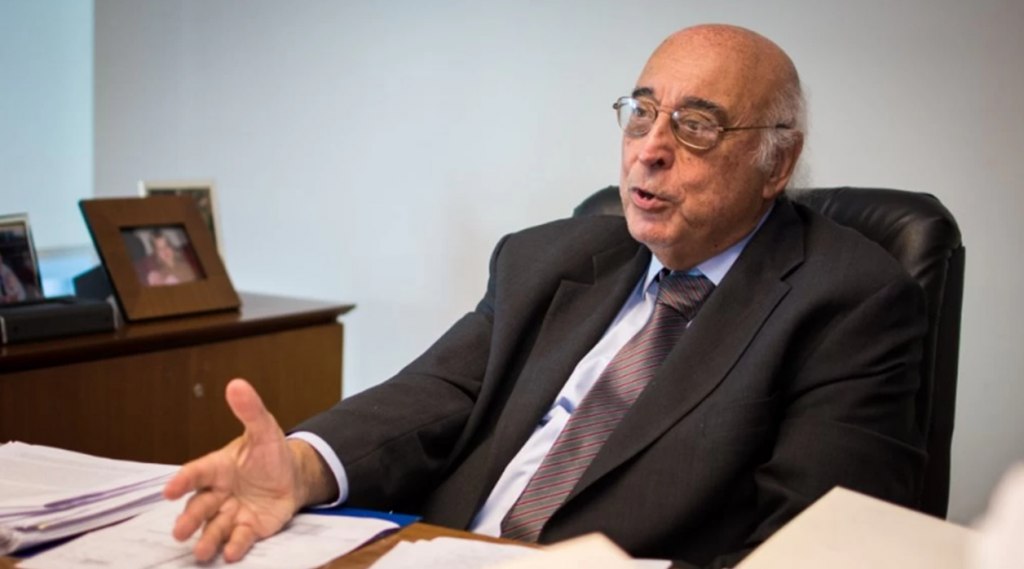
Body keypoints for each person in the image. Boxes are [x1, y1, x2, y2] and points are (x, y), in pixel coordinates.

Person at [164, 24, 927, 569]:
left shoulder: (848, 301)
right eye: (641, 112)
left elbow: (815, 547)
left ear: (776, 161)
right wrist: (302, 465)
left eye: (696, 125)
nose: (650, 148)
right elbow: (437, 393)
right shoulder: (548, 259)